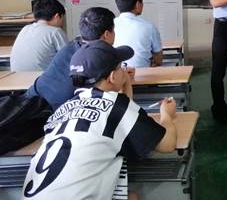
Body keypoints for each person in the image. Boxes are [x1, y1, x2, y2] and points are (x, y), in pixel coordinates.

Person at [22, 40, 177, 200]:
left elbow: (119, 116)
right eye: (121, 67)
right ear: (112, 77)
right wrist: (166, 114)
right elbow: (167, 144)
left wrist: (126, 84)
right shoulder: (117, 106)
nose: (124, 70)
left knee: (130, 197)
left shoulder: (63, 108)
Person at [25, 6, 128, 111]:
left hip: (30, 101)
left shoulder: (70, 47)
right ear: (107, 34)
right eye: (113, 30)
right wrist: (121, 75)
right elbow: (112, 95)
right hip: (53, 113)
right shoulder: (98, 59)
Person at [10, 0, 68, 72]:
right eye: (62, 18)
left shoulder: (25, 28)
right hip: (42, 77)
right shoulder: (55, 32)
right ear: (57, 17)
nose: (62, 23)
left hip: (17, 76)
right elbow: (68, 58)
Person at [113, 0, 163, 68]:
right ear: (138, 4)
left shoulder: (110, 25)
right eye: (142, 2)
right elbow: (159, 59)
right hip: (143, 74)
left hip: (118, 74)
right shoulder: (149, 27)